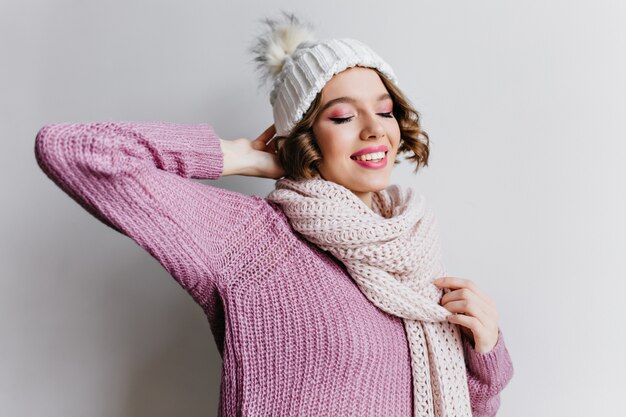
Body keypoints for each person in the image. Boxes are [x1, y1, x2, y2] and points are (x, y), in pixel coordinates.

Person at [34, 12, 513, 417]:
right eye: (343, 117)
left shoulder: (413, 254)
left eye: (385, 112)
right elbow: (76, 152)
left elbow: (461, 407)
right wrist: (240, 157)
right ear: (303, 138)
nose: (373, 130)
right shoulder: (255, 241)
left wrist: (486, 351)